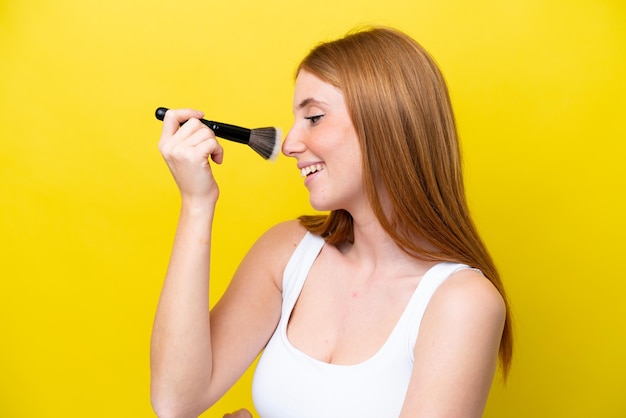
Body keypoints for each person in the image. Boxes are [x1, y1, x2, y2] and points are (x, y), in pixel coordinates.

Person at [150, 26, 513, 418]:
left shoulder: (462, 303)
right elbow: (176, 401)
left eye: (314, 117)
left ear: (387, 122)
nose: (289, 144)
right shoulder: (287, 253)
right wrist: (197, 203)